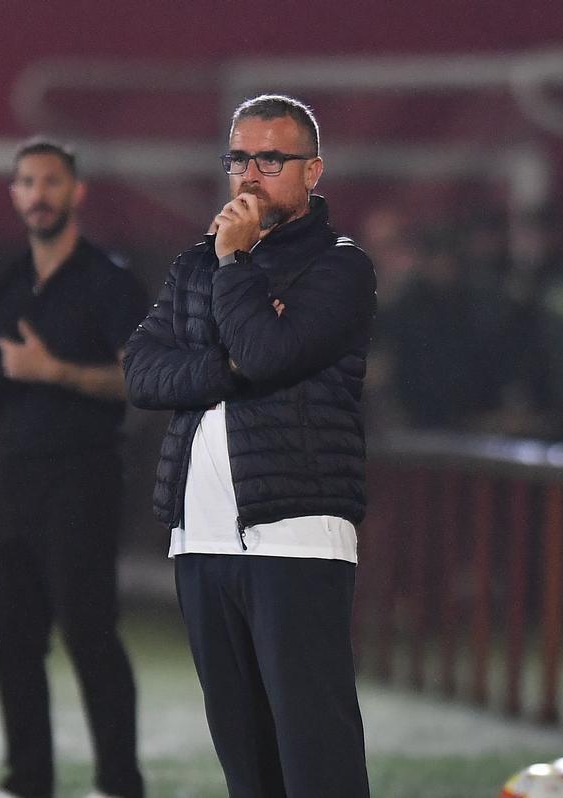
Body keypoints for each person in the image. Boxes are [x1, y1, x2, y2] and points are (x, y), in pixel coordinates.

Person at [123, 95, 376, 797]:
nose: (250, 174)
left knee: (315, 756)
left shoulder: (339, 267)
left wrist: (236, 264)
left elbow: (266, 354)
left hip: (294, 533)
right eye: (239, 157)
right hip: (200, 540)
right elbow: (142, 372)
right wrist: (220, 370)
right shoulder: (195, 263)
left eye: (271, 158)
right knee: (246, 765)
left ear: (313, 171)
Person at [0, 138, 147, 798]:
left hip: (85, 474)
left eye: (51, 182)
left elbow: (143, 379)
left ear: (76, 193)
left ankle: (120, 783)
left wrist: (57, 371)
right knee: (10, 637)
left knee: (90, 633)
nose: (38, 194)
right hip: (15, 475)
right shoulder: (5, 286)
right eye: (26, 183)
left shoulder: (110, 281)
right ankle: (28, 781)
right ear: (14, 196)